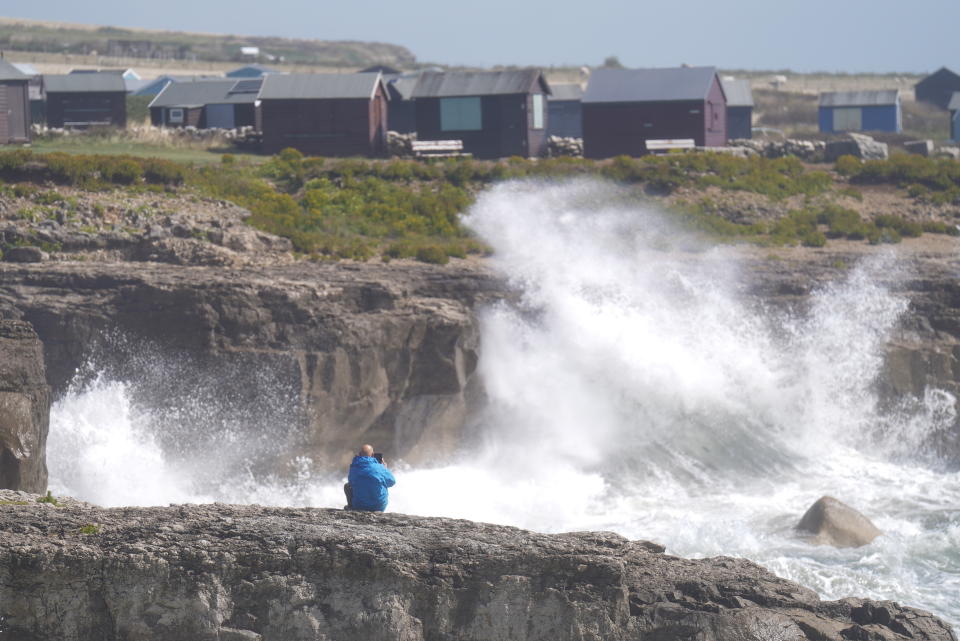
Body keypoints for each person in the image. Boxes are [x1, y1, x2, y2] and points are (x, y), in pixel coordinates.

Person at [343, 444, 396, 512]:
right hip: (379, 507)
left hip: (359, 506)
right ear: (373, 455)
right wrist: (385, 469)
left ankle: (350, 506)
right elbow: (392, 482)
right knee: (382, 482)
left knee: (347, 486)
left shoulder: (354, 467)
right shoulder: (380, 467)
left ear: (359, 454)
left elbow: (351, 482)